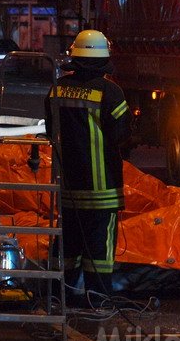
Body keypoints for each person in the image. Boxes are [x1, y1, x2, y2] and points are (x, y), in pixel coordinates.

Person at [46, 29, 129, 305]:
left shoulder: (56, 88)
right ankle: (99, 298)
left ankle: (60, 296)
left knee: (68, 245)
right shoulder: (110, 92)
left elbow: (50, 130)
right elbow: (122, 135)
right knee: (100, 251)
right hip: (101, 189)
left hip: (67, 186)